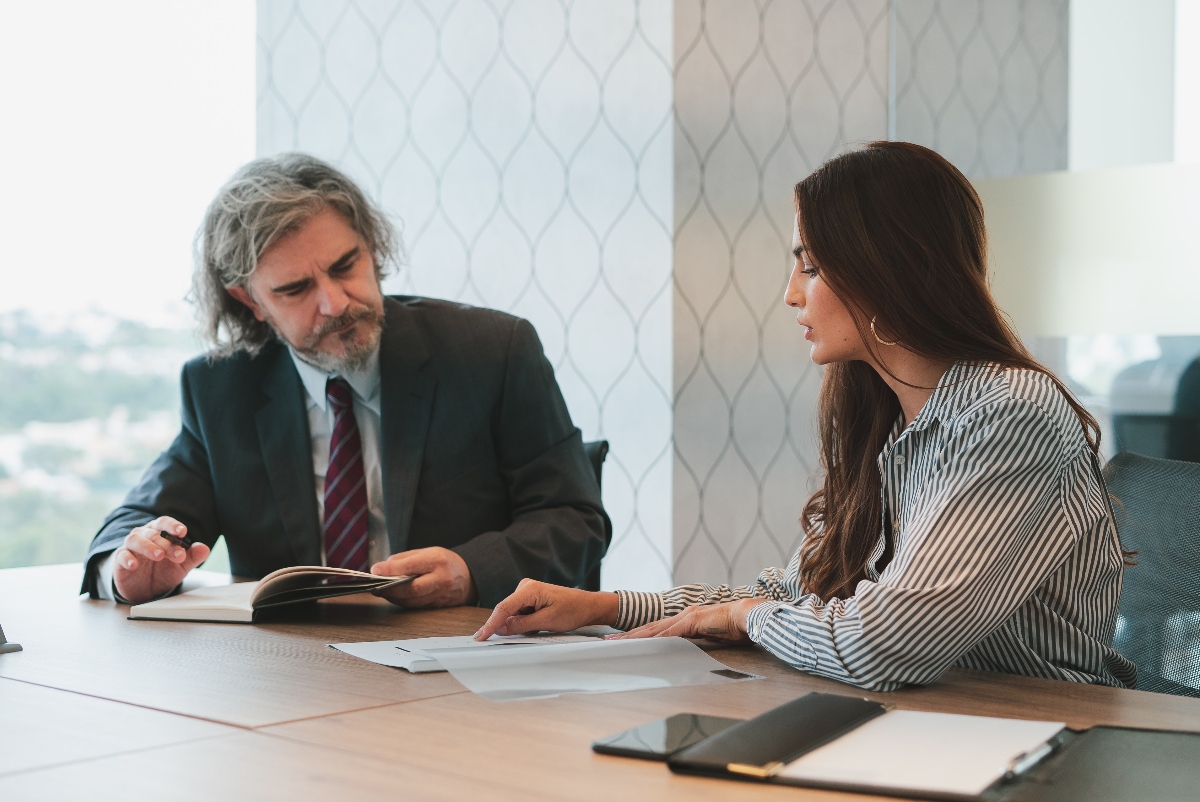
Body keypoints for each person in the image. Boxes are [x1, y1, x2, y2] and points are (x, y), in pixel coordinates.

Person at [475, 141, 1137, 693]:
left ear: (888, 271)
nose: (791, 294)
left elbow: (888, 643)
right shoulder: (889, 419)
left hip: (1043, 742)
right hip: (923, 728)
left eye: (811, 266)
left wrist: (750, 616)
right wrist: (607, 608)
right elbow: (790, 597)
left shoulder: (1010, 416)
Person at [82, 153, 609, 607]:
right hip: (295, 676)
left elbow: (574, 519)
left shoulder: (492, 352)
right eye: (295, 289)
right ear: (251, 301)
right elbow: (142, 521)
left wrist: (471, 571)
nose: (335, 303)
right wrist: (126, 570)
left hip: (462, 658)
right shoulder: (223, 389)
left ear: (372, 250)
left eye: (345, 265)